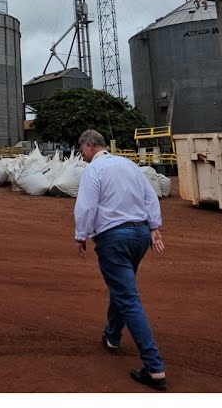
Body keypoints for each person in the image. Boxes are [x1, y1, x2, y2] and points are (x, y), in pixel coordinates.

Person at [72, 129, 168, 391]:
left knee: (127, 297)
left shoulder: (94, 170)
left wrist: (81, 236)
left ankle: (154, 367)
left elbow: (87, 206)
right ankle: (112, 337)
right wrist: (154, 226)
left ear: (90, 146)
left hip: (114, 237)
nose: (82, 155)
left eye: (82, 150)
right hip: (139, 235)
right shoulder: (130, 165)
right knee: (122, 287)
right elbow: (150, 196)